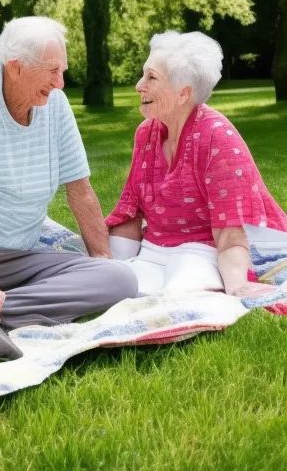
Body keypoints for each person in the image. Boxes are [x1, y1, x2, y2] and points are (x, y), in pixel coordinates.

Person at [0, 17, 138, 361]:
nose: (61, 83)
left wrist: (100, 259)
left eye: (63, 70)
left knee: (120, 280)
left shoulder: (56, 108)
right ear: (16, 68)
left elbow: (80, 191)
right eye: (52, 71)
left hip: (20, 259)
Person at [106, 31, 287, 295]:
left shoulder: (217, 136)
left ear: (183, 94)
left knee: (181, 297)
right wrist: (111, 263)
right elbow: (131, 208)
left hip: (202, 251)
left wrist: (237, 286)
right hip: (154, 250)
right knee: (112, 290)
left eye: (151, 77)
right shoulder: (146, 132)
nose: (139, 85)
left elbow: (230, 229)